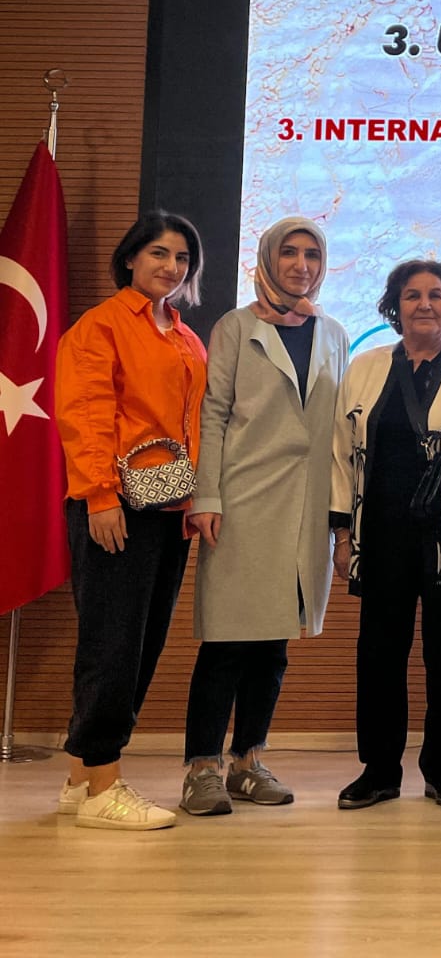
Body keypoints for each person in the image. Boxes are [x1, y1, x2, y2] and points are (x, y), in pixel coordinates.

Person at [183, 216, 349, 816]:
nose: (300, 264)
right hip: (243, 498)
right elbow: (214, 413)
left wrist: (342, 514)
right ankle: (201, 767)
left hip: (304, 504)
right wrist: (207, 496)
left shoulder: (331, 331)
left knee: (274, 644)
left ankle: (247, 761)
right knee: (227, 640)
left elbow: (336, 428)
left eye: (311, 254)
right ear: (267, 258)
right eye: (289, 253)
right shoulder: (235, 326)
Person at [54, 213, 208, 830]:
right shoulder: (102, 327)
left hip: (166, 510)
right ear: (129, 260)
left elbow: (193, 424)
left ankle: (79, 779)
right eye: (157, 254)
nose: (170, 267)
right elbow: (87, 413)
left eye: (181, 258)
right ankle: (103, 787)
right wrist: (99, 497)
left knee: (138, 647)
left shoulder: (187, 337)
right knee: (112, 646)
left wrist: (193, 500)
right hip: (115, 506)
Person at [330, 260, 441, 810]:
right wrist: (343, 535)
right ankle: (379, 768)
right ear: (394, 306)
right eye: (412, 295)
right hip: (383, 533)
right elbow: (340, 457)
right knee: (380, 653)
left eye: (436, 295)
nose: (424, 305)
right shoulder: (366, 368)